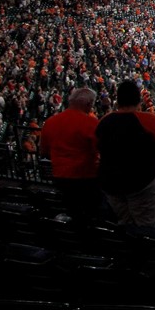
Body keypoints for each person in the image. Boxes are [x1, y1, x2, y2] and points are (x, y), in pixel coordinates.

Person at [95, 80, 155, 238]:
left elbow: (97, 146)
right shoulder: (148, 120)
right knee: (146, 228)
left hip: (112, 184)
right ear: (139, 100)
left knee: (123, 224)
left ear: (118, 100)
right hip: (143, 183)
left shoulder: (104, 121)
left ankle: (123, 255)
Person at [39, 87, 102, 227]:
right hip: (86, 178)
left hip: (60, 177)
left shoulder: (50, 122)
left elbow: (44, 152)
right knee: (91, 215)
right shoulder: (91, 123)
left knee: (72, 211)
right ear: (89, 104)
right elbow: (100, 151)